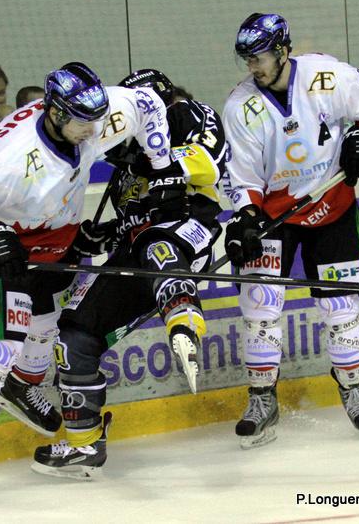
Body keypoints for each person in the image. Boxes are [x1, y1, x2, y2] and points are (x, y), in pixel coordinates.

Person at [0, 61, 175, 504]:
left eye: (98, 118)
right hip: (4, 248)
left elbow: (147, 102)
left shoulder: (92, 115)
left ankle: (22, 385)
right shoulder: (9, 156)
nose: (95, 130)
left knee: (46, 323)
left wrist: (161, 166)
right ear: (57, 113)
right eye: (84, 122)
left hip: (53, 240)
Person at [30, 68, 228, 479]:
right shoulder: (124, 166)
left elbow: (208, 162)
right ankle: (85, 445)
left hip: (184, 231)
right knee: (74, 334)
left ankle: (183, 316)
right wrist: (97, 238)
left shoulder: (185, 114)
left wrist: (151, 162)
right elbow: (129, 224)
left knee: (157, 243)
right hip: (134, 254)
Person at [222, 13, 359, 449]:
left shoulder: (326, 75)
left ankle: (352, 387)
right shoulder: (240, 106)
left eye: (260, 57)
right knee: (260, 306)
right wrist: (245, 218)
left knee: (340, 306)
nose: (253, 67)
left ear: (283, 50)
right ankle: (262, 399)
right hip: (273, 214)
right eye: (247, 59)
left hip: (331, 204)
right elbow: (241, 175)